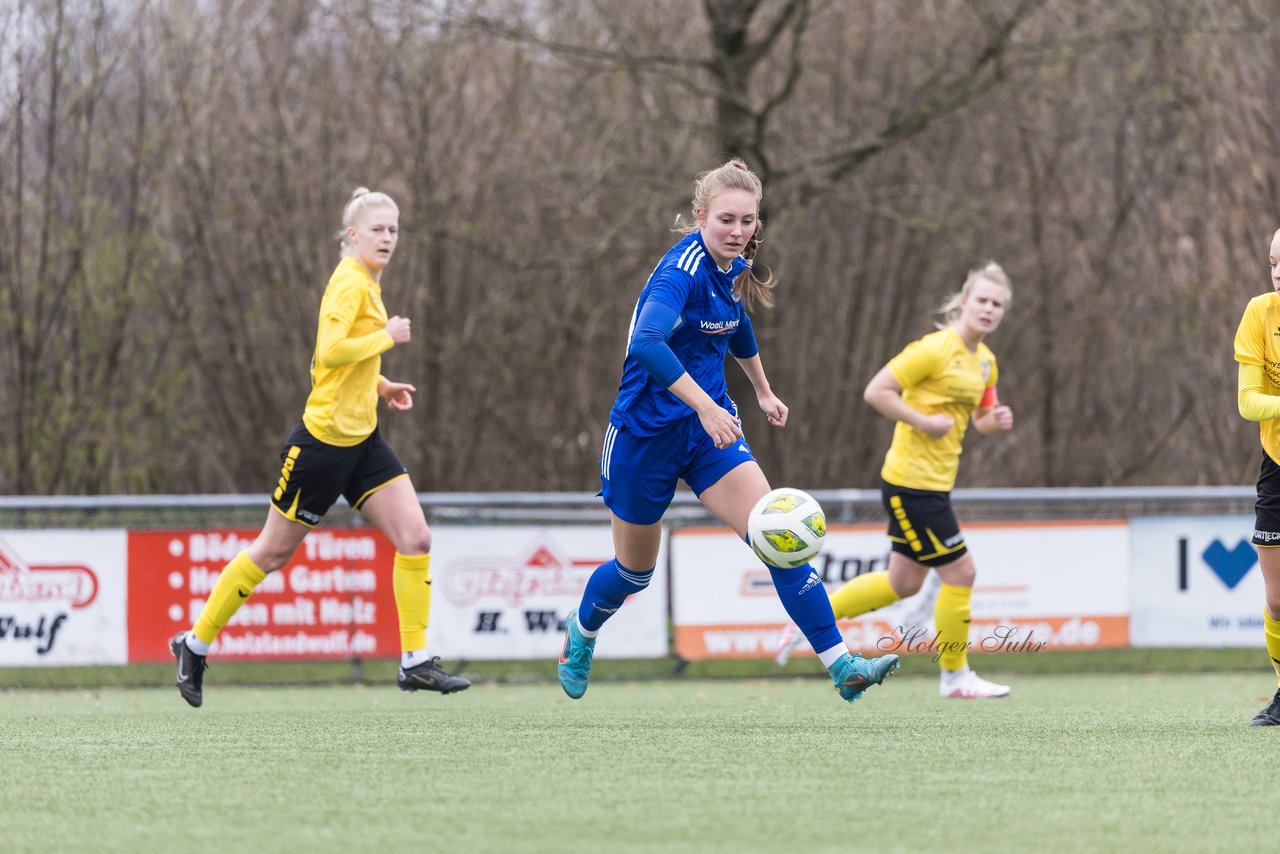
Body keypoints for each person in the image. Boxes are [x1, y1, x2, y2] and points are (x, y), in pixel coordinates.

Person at [556, 158, 900, 703]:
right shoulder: (681, 272)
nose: (737, 231)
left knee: (779, 542)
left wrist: (761, 391)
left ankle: (843, 667)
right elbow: (647, 344)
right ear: (700, 216)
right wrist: (707, 406)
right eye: (726, 220)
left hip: (707, 435)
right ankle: (582, 632)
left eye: (747, 221)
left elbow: (736, 326)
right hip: (644, 436)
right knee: (633, 572)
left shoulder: (731, 268)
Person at [170, 187, 469, 707]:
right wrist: (388, 338)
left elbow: (344, 366)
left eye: (393, 230)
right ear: (352, 235)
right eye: (377, 229)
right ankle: (194, 646)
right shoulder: (348, 283)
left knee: (416, 538)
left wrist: (382, 385)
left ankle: (415, 661)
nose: (387, 238)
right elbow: (328, 355)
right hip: (322, 446)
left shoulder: (370, 284)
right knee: (272, 552)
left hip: (363, 441)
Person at [774, 262, 1015, 699]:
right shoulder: (933, 349)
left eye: (997, 304)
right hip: (912, 483)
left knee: (903, 582)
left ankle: (806, 618)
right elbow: (876, 391)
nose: (989, 309)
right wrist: (923, 421)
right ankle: (955, 676)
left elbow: (980, 419)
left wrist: (995, 421)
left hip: (935, 483)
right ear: (964, 301)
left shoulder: (986, 364)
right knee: (963, 571)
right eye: (982, 300)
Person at [1233, 225, 1280, 727]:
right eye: (1272, 262)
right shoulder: (1259, 313)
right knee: (1277, 597)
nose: (1278, 272)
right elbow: (1248, 402)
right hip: (1277, 464)